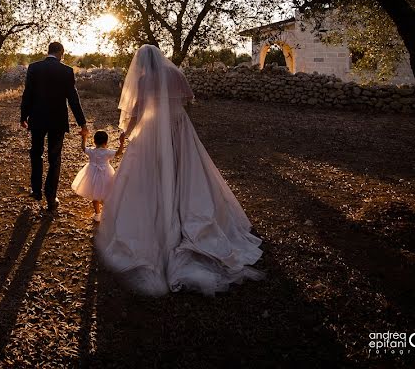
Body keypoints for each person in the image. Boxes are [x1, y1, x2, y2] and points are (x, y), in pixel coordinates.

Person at [95, 44, 264, 296]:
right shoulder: (176, 74)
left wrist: (126, 134)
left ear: (142, 61)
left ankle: (158, 218)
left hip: (153, 130)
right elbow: (188, 98)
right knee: (187, 171)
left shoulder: (143, 80)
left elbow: (138, 114)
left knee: (149, 175)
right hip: (179, 126)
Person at [20, 42, 88, 212]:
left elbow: (27, 93)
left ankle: (36, 190)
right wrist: (82, 122)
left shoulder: (34, 68)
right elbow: (73, 98)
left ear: (48, 51)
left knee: (36, 153)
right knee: (54, 158)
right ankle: (51, 196)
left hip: (37, 118)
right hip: (57, 121)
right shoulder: (66, 71)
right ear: (61, 53)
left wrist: (23, 116)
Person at [72, 129, 123, 222]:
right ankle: (108, 212)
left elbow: (83, 148)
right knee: (107, 193)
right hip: (105, 174)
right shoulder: (107, 152)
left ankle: (97, 214)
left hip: (92, 174)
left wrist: (84, 137)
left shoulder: (91, 151)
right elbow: (119, 153)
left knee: (95, 196)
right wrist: (122, 143)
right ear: (106, 142)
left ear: (94, 141)